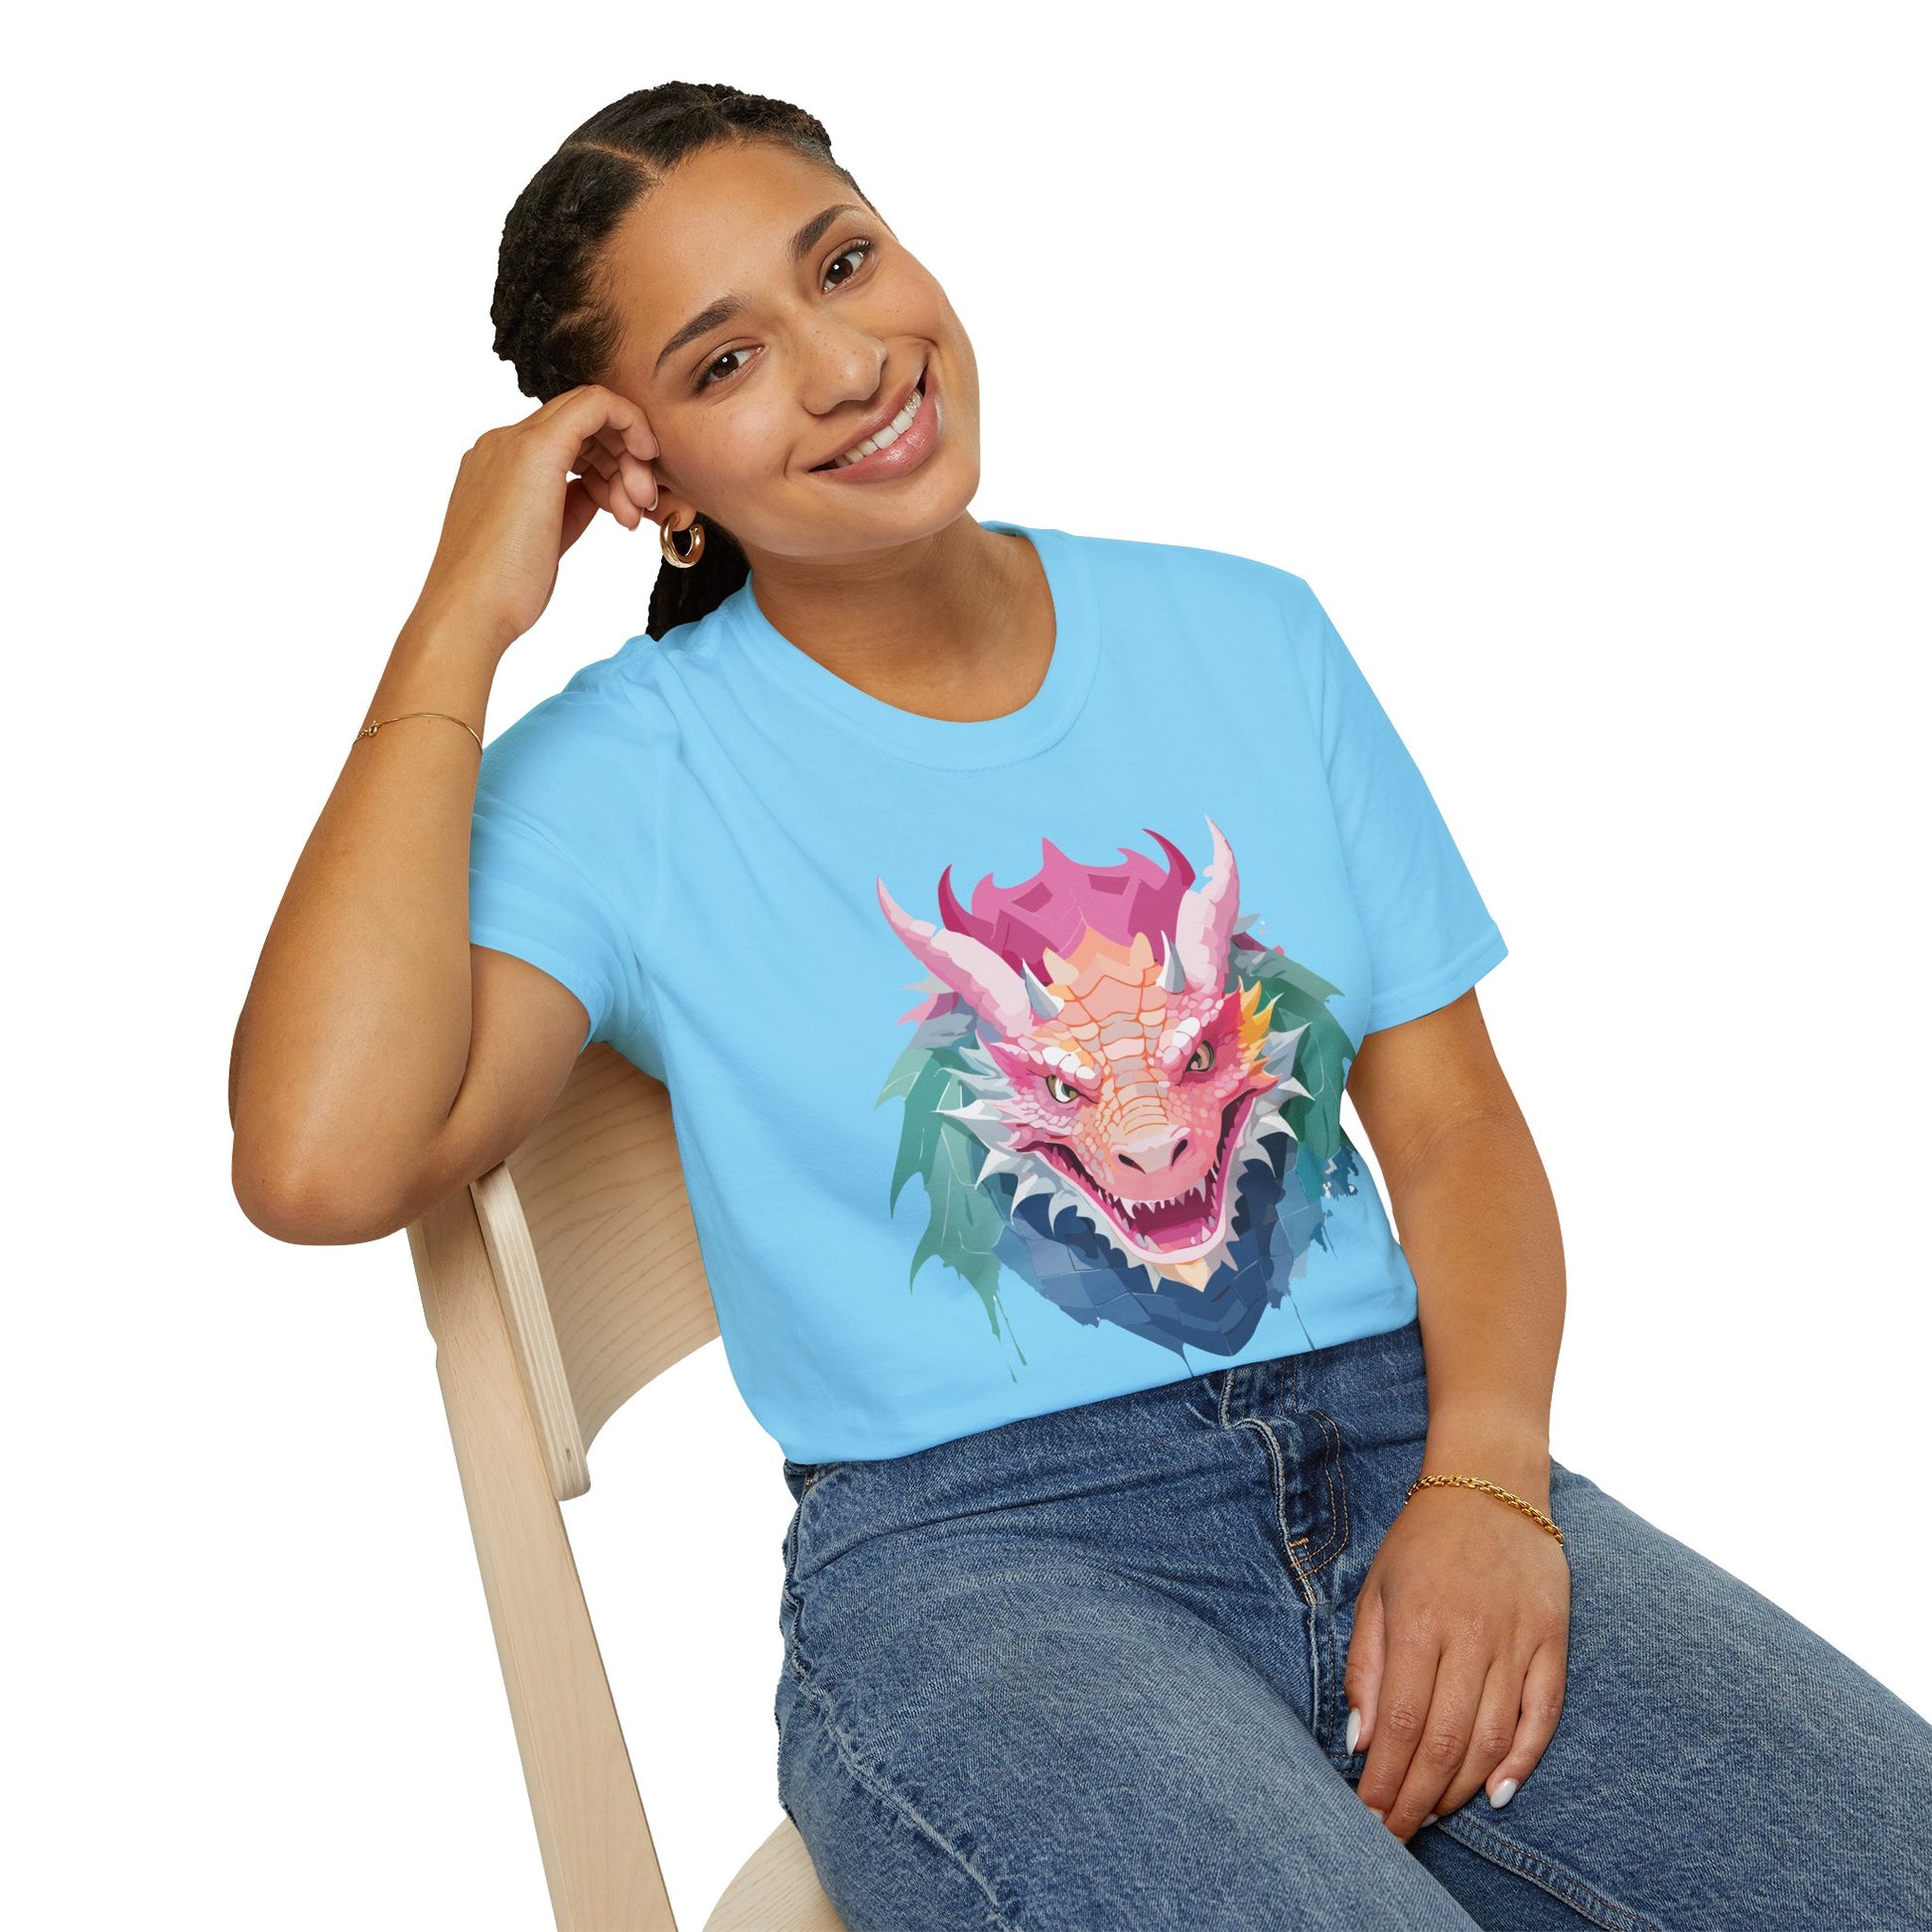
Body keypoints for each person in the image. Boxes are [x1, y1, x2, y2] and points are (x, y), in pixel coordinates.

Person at [228, 80, 1932, 1931]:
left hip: (1408, 1446)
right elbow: (319, 1161)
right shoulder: (627, 776)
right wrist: (457, 618)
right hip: (981, 1564)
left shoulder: (1250, 635)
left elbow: (1451, 1127)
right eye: (726, 361)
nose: (846, 365)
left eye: (843, 264)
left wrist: (1490, 1483)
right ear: (649, 480)